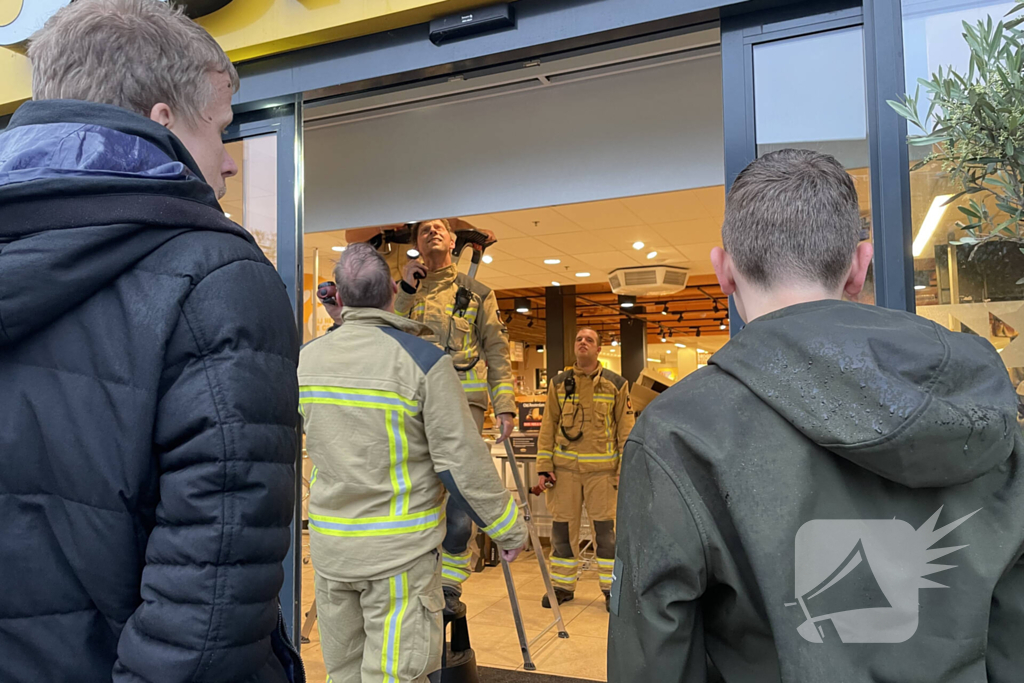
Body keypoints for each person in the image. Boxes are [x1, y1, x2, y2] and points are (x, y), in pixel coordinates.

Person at [608, 149, 1024, 682]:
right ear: (859, 266)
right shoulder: (986, 411)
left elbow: (652, 658)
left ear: (724, 271)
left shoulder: (678, 432)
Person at [0, 1, 303, 682]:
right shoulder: (215, 277)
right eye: (221, 129)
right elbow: (211, 604)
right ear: (161, 120)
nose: (227, 163)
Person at [300, 243, 526, 682]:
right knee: (393, 676)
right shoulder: (424, 362)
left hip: (332, 553)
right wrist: (508, 528)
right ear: (391, 293)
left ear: (339, 298)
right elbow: (461, 460)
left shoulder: (309, 359)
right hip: (397, 560)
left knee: (343, 674)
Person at [396, 219, 517, 612]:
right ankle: (416, 574)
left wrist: (505, 406)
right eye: (423, 230)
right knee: (416, 487)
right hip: (413, 404)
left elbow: (497, 352)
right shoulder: (404, 292)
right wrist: (403, 292)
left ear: (452, 241)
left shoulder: (477, 293)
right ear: (415, 244)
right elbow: (385, 334)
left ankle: (450, 584)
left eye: (439, 229)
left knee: (460, 495)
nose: (431, 232)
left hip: (465, 402)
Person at [536, 328, 634, 612]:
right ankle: (562, 587)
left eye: (589, 340)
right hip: (564, 472)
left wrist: (623, 470)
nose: (582, 342)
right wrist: (544, 467)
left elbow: (626, 430)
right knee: (562, 531)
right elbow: (548, 428)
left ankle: (611, 589)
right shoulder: (558, 384)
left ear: (599, 349)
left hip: (603, 474)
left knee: (606, 535)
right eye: (578, 338)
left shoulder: (617, 384)